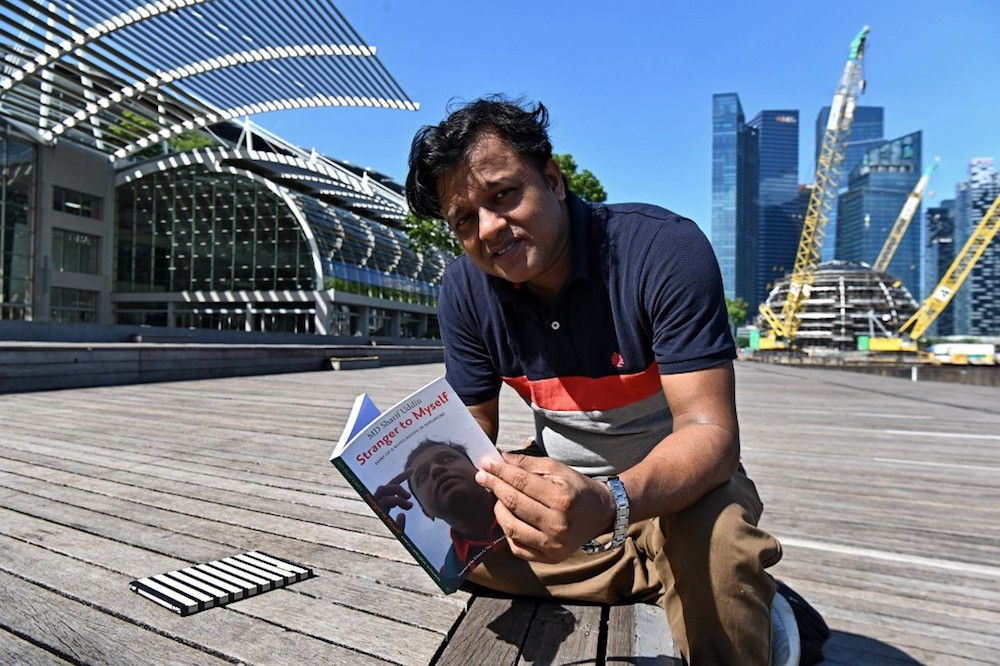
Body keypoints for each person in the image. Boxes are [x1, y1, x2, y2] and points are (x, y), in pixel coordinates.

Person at [405, 95, 817, 665]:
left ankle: (703, 567)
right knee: (458, 551)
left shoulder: (662, 250)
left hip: (678, 486)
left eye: (503, 195)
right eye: (464, 220)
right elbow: (471, 430)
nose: (490, 228)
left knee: (718, 542)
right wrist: (412, 479)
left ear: (553, 180)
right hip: (565, 486)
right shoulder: (465, 289)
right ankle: (679, 577)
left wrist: (607, 503)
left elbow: (711, 433)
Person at [374, 439, 506, 589]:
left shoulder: (521, 489)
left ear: (477, 469)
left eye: (447, 458)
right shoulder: (450, 574)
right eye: (422, 476)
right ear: (426, 511)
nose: (436, 469)